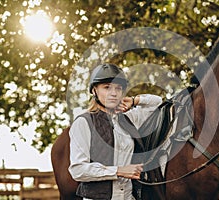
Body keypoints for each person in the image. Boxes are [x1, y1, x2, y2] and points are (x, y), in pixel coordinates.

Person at [68, 63, 162, 200]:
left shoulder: (129, 118)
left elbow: (158, 103)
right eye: (107, 87)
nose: (114, 93)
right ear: (95, 90)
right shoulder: (84, 122)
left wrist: (135, 100)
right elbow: (77, 170)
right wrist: (118, 171)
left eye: (118, 88)